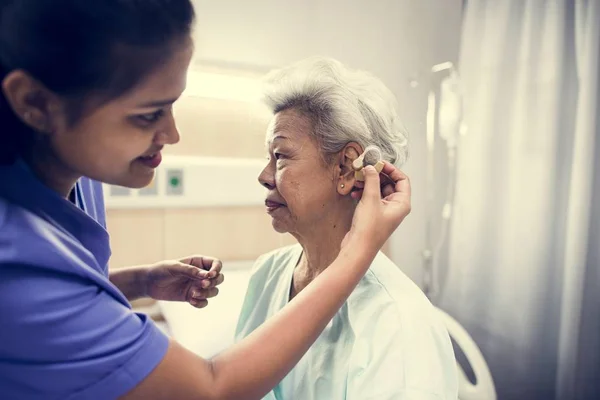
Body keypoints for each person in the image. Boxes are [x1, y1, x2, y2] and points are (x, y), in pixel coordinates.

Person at [0, 2, 411, 399]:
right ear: (36, 104)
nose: (173, 134)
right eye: (148, 114)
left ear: (345, 169)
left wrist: (137, 283)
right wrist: (358, 250)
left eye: (281, 155)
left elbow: (61, 300)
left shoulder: (398, 332)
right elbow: (211, 389)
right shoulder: (13, 253)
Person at [235, 57, 458, 400]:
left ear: (343, 169)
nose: (264, 177)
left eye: (280, 156)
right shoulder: (268, 274)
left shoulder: (396, 323)